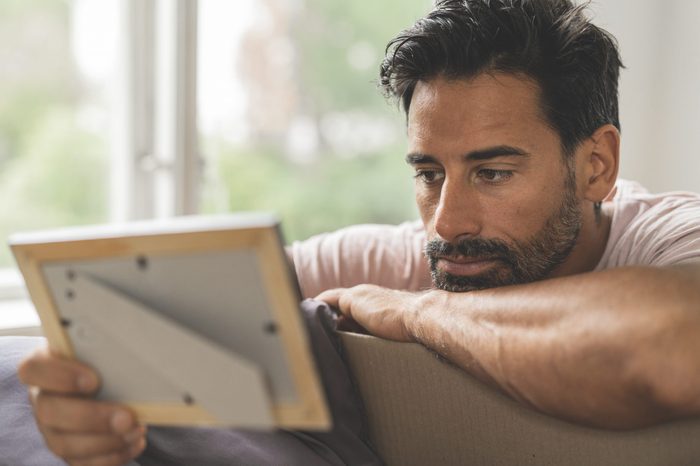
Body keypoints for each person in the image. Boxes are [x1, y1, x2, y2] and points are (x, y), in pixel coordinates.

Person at [16, 0, 700, 464]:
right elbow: (163, 309)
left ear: (597, 164)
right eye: (429, 172)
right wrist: (84, 399)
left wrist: (415, 311)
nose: (447, 222)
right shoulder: (391, 255)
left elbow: (669, 348)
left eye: (492, 173)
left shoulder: (671, 238)